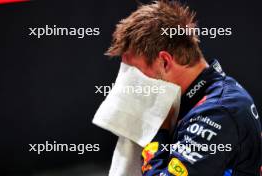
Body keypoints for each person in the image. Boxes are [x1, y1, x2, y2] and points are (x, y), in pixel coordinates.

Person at [105, 1, 262, 175]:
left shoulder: (217, 112)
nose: (132, 83)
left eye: (136, 73)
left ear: (164, 62)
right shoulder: (199, 98)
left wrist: (157, 131)